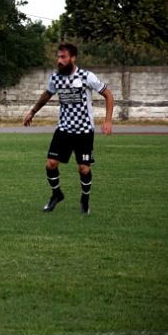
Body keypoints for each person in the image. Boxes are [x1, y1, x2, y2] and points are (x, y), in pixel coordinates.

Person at [23, 42, 114, 215]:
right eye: (58, 56)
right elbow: (47, 95)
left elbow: (108, 95)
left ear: (73, 58)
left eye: (63, 57)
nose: (59, 60)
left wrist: (108, 120)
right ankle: (56, 194)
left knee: (84, 169)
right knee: (50, 164)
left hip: (84, 131)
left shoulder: (87, 76)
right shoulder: (56, 77)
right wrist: (32, 112)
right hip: (64, 129)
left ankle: (85, 199)